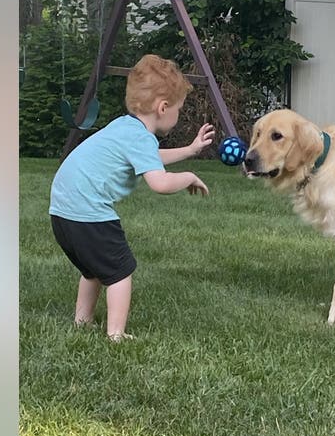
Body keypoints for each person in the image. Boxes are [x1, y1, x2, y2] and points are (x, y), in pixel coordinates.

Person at [50, 54, 213, 341]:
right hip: (89, 211)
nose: (178, 114)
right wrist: (188, 176)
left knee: (92, 270)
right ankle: (116, 334)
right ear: (163, 108)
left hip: (63, 211)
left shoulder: (125, 128)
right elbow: (159, 182)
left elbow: (147, 158)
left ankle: (82, 321)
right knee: (120, 272)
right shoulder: (139, 137)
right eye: (179, 108)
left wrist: (190, 149)